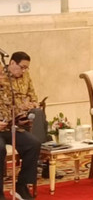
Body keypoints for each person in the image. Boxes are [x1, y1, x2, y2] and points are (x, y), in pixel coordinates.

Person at [0, 55, 41, 199]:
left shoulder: (24, 78)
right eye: (22, 67)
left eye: (26, 68)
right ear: (11, 63)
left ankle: (21, 186)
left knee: (33, 144)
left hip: (13, 125)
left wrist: (27, 110)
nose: (24, 71)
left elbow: (33, 98)